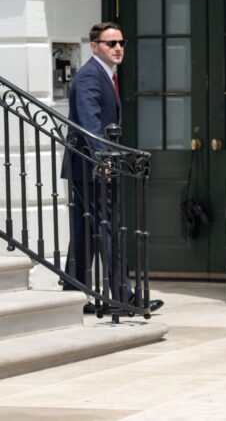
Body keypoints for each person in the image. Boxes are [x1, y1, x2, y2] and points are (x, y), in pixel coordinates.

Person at [61, 22, 163, 314]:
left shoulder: (104, 75)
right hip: (93, 168)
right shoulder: (89, 78)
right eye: (110, 43)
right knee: (109, 230)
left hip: (88, 167)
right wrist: (104, 158)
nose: (118, 48)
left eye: (121, 42)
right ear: (94, 47)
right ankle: (123, 297)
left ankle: (71, 294)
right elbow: (90, 123)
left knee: (86, 232)